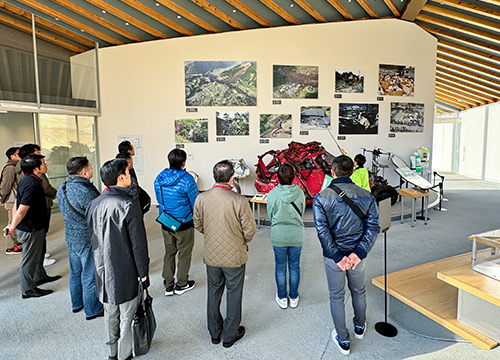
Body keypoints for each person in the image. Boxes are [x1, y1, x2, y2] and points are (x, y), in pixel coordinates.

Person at [313, 155, 380, 356]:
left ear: (332, 172)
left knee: (336, 296)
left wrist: (337, 256)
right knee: (359, 291)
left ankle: (343, 339)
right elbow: (373, 226)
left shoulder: (321, 197)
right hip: (357, 255)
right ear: (352, 172)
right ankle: (359, 328)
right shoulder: (367, 195)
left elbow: (322, 231)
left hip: (335, 258)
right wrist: (359, 253)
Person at [86, 158, 149, 360]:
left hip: (102, 267)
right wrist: (143, 272)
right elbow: (138, 244)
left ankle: (112, 352)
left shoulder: (93, 204)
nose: (131, 177)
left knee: (110, 313)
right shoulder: (128, 205)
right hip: (125, 269)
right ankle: (124, 354)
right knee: (127, 314)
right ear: (121, 177)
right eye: (129, 174)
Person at [193, 160, 256, 348]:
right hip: (235, 256)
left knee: (214, 292)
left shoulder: (201, 198)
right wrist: (240, 240)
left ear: (213, 177)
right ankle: (229, 335)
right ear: (231, 178)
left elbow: (198, 224)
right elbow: (250, 230)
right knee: (234, 294)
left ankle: (214, 332)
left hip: (211, 254)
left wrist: (212, 235)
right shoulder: (239, 200)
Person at [3, 154, 61, 299]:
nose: (46, 165)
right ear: (36, 168)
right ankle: (28, 289)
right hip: (30, 228)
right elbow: (22, 208)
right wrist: (12, 226)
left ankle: (40, 276)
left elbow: (18, 200)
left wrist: (13, 222)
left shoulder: (30, 179)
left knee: (39, 253)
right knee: (29, 259)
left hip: (37, 225)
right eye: (43, 163)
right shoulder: (31, 183)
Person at [56, 157, 103, 320]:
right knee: (89, 274)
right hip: (86, 237)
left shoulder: (62, 188)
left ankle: (77, 304)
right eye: (90, 167)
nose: (92, 169)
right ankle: (92, 309)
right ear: (84, 172)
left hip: (70, 235)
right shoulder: (85, 191)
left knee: (75, 272)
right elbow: (97, 213)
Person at [154, 148, 198, 296]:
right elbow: (195, 202)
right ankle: (182, 284)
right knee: (184, 253)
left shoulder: (159, 178)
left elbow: (160, 200)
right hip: (184, 222)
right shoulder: (187, 179)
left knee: (169, 252)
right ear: (184, 163)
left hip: (166, 220)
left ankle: (168, 285)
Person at [266, 164, 305, 309]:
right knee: (294, 266)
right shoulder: (300, 193)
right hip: (296, 235)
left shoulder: (272, 193)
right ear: (293, 176)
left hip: (279, 235)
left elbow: (270, 215)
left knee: (280, 267)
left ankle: (282, 297)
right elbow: (300, 211)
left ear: (278, 177)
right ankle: (293, 297)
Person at [19, 144, 57, 266]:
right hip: (37, 209)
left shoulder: (28, 173)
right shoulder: (31, 178)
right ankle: (39, 257)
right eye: (36, 153)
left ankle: (40, 258)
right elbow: (45, 187)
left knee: (41, 234)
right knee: (38, 236)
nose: (45, 164)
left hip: (39, 206)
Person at [1, 147, 21, 254]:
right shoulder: (10, 168)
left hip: (14, 199)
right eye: (19, 154)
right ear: (12, 157)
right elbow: (5, 185)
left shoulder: (14, 167)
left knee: (15, 221)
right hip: (11, 199)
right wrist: (2, 198)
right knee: (11, 223)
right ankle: (11, 247)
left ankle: (15, 242)